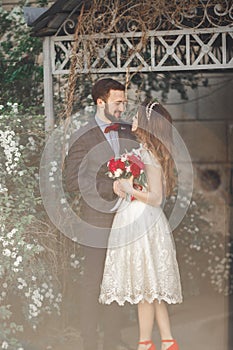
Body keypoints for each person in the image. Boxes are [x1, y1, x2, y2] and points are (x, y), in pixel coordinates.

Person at [99, 100, 182, 350]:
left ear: (145, 123)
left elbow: (156, 197)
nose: (132, 120)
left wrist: (128, 189)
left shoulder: (148, 153)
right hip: (142, 218)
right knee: (150, 286)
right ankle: (164, 341)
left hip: (143, 220)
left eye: (136, 116)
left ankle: (146, 343)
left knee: (147, 286)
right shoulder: (146, 150)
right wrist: (129, 185)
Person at [64, 78, 138, 350]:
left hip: (126, 219)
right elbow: (72, 181)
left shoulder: (128, 132)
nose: (122, 107)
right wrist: (112, 185)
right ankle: (90, 342)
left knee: (118, 281)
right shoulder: (83, 136)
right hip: (95, 220)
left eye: (124, 102)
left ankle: (112, 340)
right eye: (117, 102)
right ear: (100, 102)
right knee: (93, 281)